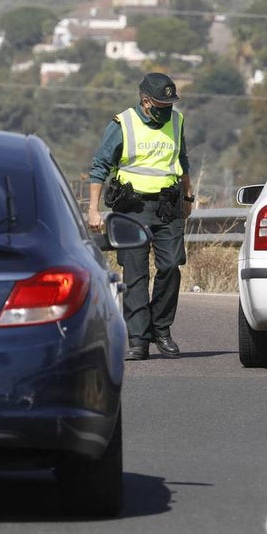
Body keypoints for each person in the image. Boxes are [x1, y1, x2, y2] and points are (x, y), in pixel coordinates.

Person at [87, 72, 194, 361]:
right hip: (131, 209)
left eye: (170, 104)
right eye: (161, 105)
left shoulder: (177, 121)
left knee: (171, 266)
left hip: (168, 206)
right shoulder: (122, 124)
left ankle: (161, 329)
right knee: (135, 274)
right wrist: (93, 209)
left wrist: (188, 196)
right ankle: (138, 339)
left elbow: (182, 160)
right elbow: (99, 166)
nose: (167, 109)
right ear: (146, 102)